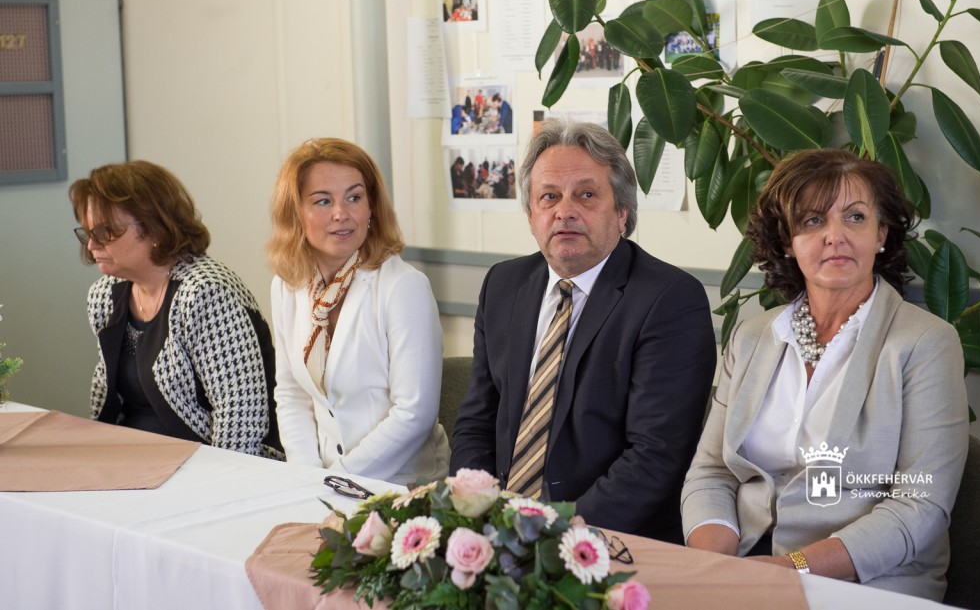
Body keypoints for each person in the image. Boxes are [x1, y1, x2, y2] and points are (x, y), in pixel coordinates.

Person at [681, 149, 968, 601]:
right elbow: (712, 471)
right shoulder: (752, 337)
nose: (835, 236)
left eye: (855, 217)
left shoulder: (926, 343)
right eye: (813, 221)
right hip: (746, 566)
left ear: (881, 234)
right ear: (787, 241)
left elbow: (920, 506)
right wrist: (718, 572)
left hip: (870, 582)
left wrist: (789, 570)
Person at [450, 119, 717, 544]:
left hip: (608, 540)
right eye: (549, 196)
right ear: (531, 215)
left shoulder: (669, 299)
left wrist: (553, 534)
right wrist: (477, 510)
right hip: (499, 528)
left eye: (586, 195)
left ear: (622, 213)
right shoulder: (503, 284)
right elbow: (477, 421)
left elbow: (655, 455)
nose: (565, 211)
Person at [267, 138, 449, 485]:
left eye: (354, 197)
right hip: (319, 479)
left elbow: (414, 414)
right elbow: (291, 393)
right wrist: (306, 478)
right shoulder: (287, 286)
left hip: (400, 485)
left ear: (371, 208)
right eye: (323, 201)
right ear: (295, 213)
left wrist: (337, 480)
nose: (342, 213)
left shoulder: (403, 287)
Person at [69, 161, 280, 456]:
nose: (92, 246)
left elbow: (241, 417)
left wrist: (218, 480)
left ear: (154, 229)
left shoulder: (206, 292)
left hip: (206, 462)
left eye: (104, 232)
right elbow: (108, 403)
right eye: (88, 233)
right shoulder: (105, 295)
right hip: (132, 455)